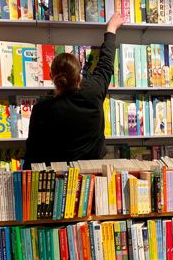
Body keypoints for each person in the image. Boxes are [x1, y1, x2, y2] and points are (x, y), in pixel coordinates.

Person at [24, 13, 125, 168]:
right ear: (79, 78)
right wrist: (111, 29)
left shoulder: (42, 109)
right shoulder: (94, 91)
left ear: (51, 77)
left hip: (58, 181)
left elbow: (33, 153)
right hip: (93, 177)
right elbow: (106, 64)